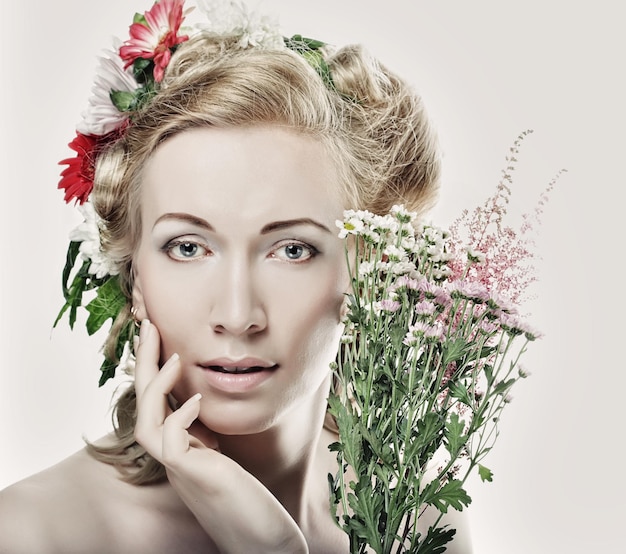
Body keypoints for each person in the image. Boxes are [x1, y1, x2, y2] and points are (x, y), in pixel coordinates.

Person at [0, 0, 472, 551]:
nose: (236, 315)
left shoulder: (416, 518)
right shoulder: (36, 534)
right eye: (187, 247)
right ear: (133, 276)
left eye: (292, 249)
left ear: (369, 268)